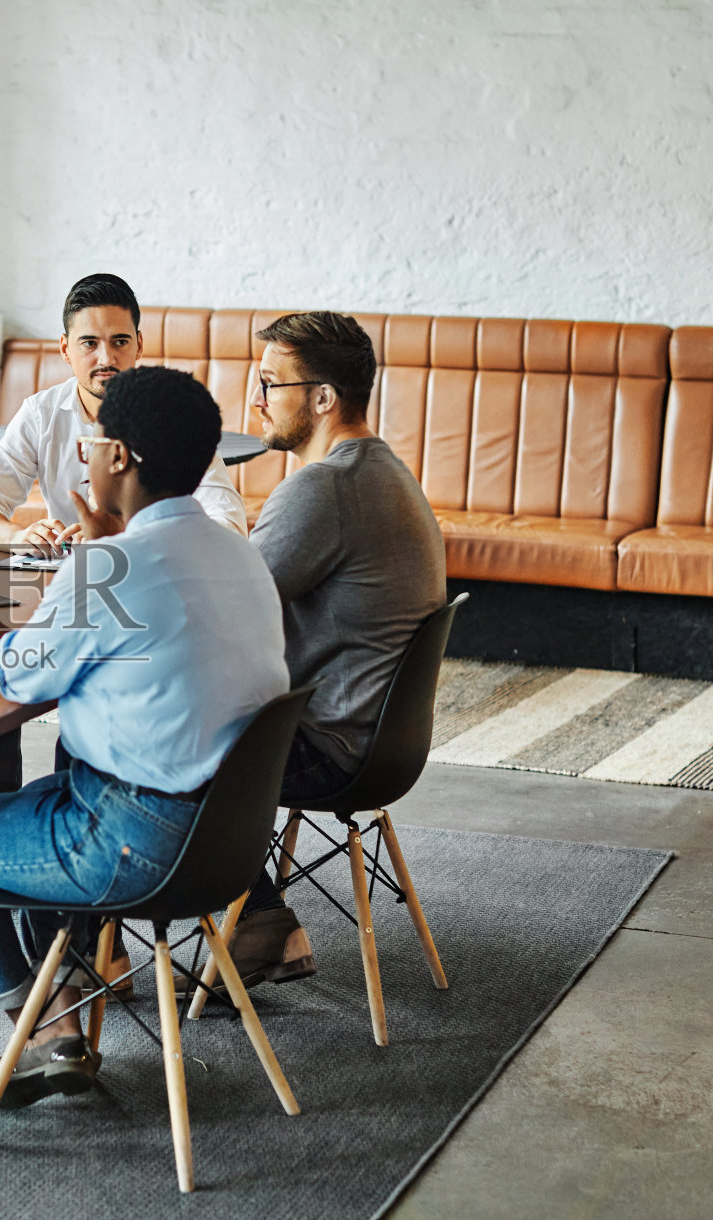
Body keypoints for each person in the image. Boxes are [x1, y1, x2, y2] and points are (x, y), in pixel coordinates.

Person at [0, 365, 288, 1110]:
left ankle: (46, 1033)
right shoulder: (238, 551)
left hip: (134, 844)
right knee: (53, 785)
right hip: (229, 841)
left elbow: (21, 683)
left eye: (95, 445)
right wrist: (36, 612)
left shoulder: (111, 566)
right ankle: (65, 995)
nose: (86, 456)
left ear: (117, 459)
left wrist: (68, 583)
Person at [229, 310, 446, 988]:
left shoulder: (323, 487)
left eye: (270, 383)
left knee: (144, 738)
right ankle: (258, 918)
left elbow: (225, 605)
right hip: (382, 743)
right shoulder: (380, 468)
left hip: (330, 747)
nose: (254, 400)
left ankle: (256, 922)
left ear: (322, 398)